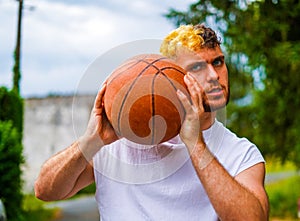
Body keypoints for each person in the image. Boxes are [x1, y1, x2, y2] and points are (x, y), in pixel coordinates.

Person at [35, 24, 269, 220]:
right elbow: (45, 190)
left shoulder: (241, 154)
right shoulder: (115, 145)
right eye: (197, 67)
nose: (213, 76)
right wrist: (91, 140)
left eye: (217, 62)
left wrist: (196, 145)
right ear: (172, 78)